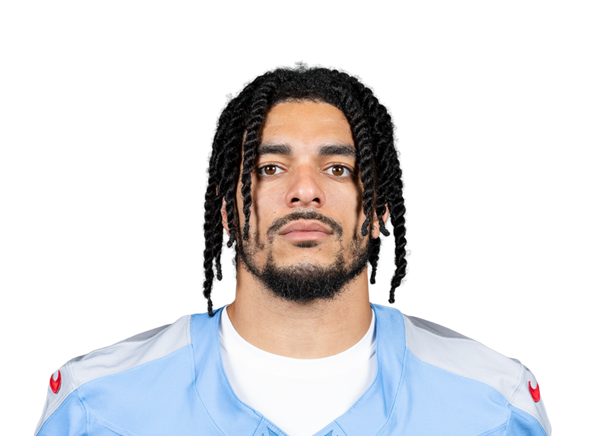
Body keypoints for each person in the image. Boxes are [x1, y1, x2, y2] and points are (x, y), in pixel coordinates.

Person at [35, 62, 551, 436]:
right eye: (271, 168)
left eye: (337, 168)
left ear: (379, 209)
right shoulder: (96, 405)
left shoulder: (495, 404)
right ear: (226, 209)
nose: (305, 191)